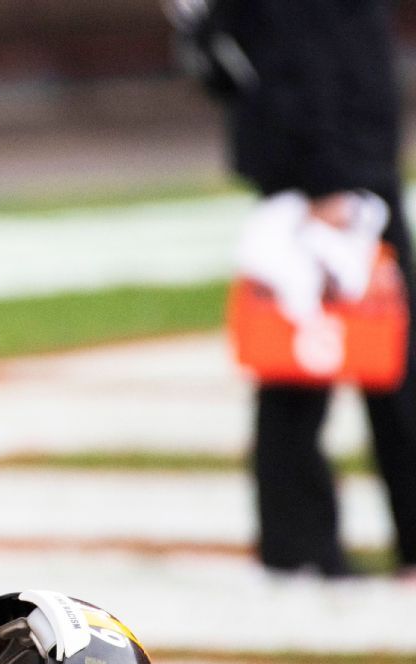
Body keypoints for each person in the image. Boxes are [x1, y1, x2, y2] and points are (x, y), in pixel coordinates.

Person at [167, 0, 416, 579]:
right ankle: (298, 544)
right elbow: (296, 49)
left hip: (341, 163)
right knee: (311, 368)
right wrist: (329, 176)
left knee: (363, 364)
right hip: (332, 177)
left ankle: (305, 540)